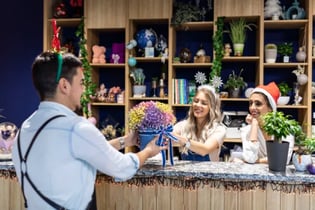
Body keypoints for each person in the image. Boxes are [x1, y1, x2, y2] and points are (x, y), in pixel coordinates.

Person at [12, 51, 166, 210]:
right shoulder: (76, 128)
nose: (84, 90)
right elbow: (122, 168)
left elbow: (80, 152)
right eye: (81, 83)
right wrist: (148, 151)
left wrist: (126, 140)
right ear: (65, 85)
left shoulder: (23, 130)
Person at [238, 82, 294, 164]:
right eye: (250, 103)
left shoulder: (284, 130)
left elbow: (283, 159)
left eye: (258, 104)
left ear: (270, 108)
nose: (252, 107)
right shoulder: (247, 131)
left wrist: (257, 161)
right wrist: (254, 124)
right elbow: (250, 158)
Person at [172, 85, 226, 161]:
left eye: (204, 103)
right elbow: (169, 135)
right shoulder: (183, 125)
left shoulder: (219, 129)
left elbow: (204, 150)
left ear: (212, 108)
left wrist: (181, 140)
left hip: (209, 172)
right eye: (196, 101)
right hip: (185, 172)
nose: (198, 105)